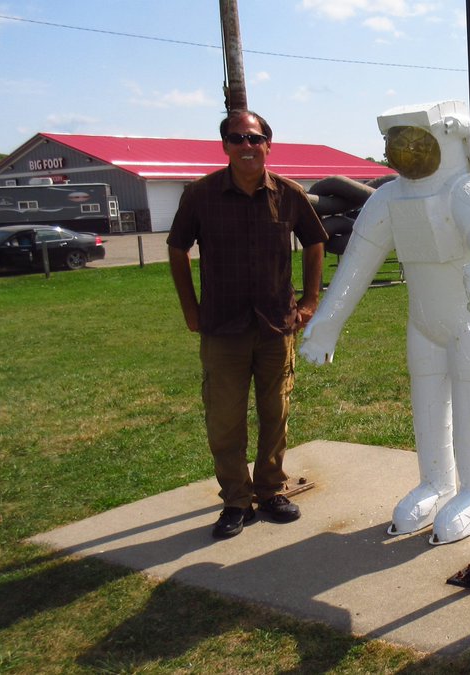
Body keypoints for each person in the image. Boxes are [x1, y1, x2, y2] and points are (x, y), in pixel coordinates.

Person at [300, 100, 470, 545]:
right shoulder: (388, 198)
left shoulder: (464, 191)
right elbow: (357, 263)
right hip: (424, 324)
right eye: (397, 138)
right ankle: (436, 482)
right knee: (427, 408)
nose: (406, 149)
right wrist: (328, 322)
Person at [167, 110, 327, 539]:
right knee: (225, 419)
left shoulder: (289, 194)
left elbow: (316, 242)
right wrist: (190, 308)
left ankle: (271, 490)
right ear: (225, 146)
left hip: (276, 326)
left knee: (276, 413)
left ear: (268, 145)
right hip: (221, 327)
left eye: (254, 139)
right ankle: (236, 500)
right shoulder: (200, 196)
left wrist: (310, 300)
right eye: (237, 139)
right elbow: (177, 249)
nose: (247, 146)